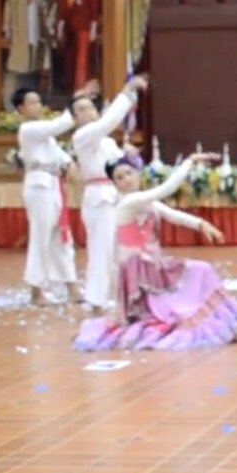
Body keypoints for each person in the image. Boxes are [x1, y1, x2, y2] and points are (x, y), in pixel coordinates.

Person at [73, 152, 237, 351]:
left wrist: (201, 224)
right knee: (193, 280)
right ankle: (222, 326)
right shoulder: (128, 203)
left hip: (154, 263)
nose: (126, 179)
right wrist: (189, 162)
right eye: (119, 178)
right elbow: (166, 189)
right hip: (139, 269)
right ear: (115, 184)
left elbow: (173, 215)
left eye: (128, 173)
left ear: (137, 173)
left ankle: (228, 323)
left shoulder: (146, 201)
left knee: (201, 270)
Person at [71, 74, 146, 312]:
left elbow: (121, 169)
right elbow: (106, 123)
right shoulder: (82, 137)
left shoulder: (107, 143)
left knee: (118, 250)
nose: (88, 112)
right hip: (99, 198)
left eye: (90, 107)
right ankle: (96, 300)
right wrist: (127, 92)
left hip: (114, 197)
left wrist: (130, 157)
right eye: (81, 110)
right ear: (74, 118)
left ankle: (117, 295)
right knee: (101, 250)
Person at [15, 82, 86, 305]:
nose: (38, 106)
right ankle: (36, 290)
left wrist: (70, 163)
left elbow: (59, 154)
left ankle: (72, 287)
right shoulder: (28, 130)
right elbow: (59, 125)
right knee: (41, 238)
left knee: (62, 236)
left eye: (38, 102)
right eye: (32, 103)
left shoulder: (45, 136)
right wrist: (75, 101)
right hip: (39, 188)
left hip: (54, 186)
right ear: (20, 109)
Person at [2, 0, 56, 99]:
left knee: (36, 59)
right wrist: (7, 27)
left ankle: (35, 91)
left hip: (37, 26)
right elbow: (9, 7)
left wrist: (50, 24)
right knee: (21, 61)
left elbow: (52, 4)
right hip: (21, 27)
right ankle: (20, 93)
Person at [58, 0, 101, 92]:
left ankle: (80, 90)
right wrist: (60, 28)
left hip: (84, 29)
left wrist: (93, 30)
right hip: (69, 30)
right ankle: (71, 89)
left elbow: (95, 11)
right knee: (70, 60)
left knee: (82, 61)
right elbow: (63, 11)